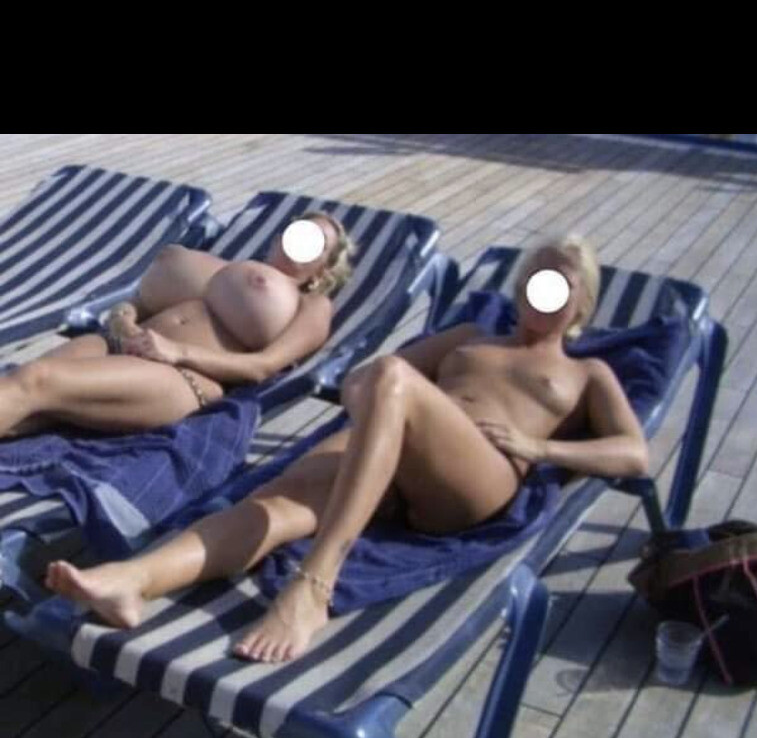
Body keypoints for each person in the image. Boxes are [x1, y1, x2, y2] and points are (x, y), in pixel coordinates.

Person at [45, 234, 650, 664]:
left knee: (393, 379)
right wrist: (379, 411)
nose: (540, 292)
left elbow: (632, 453)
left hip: (476, 478)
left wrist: (539, 447)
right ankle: (133, 580)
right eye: (534, 278)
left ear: (582, 304)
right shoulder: (469, 337)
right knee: (273, 503)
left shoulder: (587, 373)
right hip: (394, 446)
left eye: (558, 283)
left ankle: (315, 583)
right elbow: (366, 378)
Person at [0, 212, 355, 439]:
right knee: (26, 394)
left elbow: (261, 367)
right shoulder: (226, 270)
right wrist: (122, 316)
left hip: (180, 377)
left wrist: (177, 351)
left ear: (323, 270)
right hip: (121, 342)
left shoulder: (312, 305)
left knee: (36, 380)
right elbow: (137, 303)